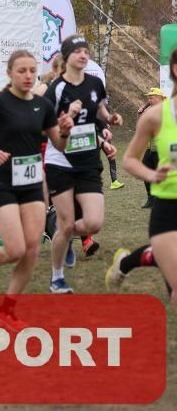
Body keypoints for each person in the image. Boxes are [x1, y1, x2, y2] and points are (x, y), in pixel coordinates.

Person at [0, 50, 73, 328]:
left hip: (32, 184)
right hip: (2, 183)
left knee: (31, 250)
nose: (28, 75)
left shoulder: (42, 105)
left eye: (32, 70)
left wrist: (65, 130)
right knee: (15, 249)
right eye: (21, 71)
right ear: (10, 73)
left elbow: (59, 145)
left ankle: (6, 310)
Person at [44, 34, 121, 293]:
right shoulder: (56, 88)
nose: (83, 55)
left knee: (94, 223)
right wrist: (64, 121)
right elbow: (45, 126)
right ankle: (57, 278)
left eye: (86, 51)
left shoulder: (95, 82)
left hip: (88, 160)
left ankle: (64, 237)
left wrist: (109, 119)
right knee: (66, 223)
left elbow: (99, 108)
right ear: (66, 57)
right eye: (78, 51)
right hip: (60, 160)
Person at [111, 49, 177, 304]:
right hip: (168, 209)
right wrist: (152, 174)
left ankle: (127, 263)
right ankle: (129, 263)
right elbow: (129, 160)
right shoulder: (155, 116)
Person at [137, 88, 167, 209]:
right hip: (151, 147)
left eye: (152, 97)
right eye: (148, 98)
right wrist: (141, 115)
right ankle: (151, 198)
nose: (149, 100)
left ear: (160, 98)